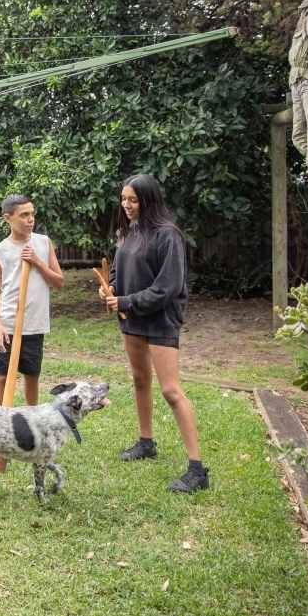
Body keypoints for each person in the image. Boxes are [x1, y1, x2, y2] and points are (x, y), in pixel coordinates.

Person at [100, 174, 209, 493]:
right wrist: (113, 288)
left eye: (133, 200)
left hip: (160, 319)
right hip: (131, 317)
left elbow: (167, 287)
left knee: (171, 391)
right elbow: (121, 268)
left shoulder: (168, 235)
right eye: (123, 199)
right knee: (139, 380)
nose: (126, 205)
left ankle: (197, 470)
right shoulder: (128, 232)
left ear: (148, 200)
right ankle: (146, 442)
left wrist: (126, 300)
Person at [0, 194, 64, 473]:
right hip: (8, 323)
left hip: (33, 324)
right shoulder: (1, 250)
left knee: (32, 375)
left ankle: (34, 426)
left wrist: (38, 262)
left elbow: (59, 282)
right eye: (24, 215)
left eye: (32, 214)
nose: (30, 220)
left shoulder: (43, 243)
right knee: (2, 376)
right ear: (8, 218)